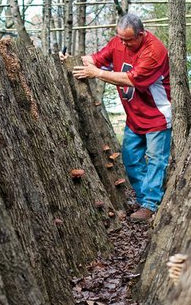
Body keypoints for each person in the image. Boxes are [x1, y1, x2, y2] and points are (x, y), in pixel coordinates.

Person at [69, 13, 172, 222]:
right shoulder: (118, 42)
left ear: (141, 35)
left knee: (155, 160)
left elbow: (131, 79)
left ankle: (151, 203)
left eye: (128, 39)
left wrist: (96, 73)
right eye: (120, 38)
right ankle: (144, 199)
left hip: (157, 116)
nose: (123, 43)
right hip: (134, 116)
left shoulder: (154, 51)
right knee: (130, 158)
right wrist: (72, 61)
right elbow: (96, 60)